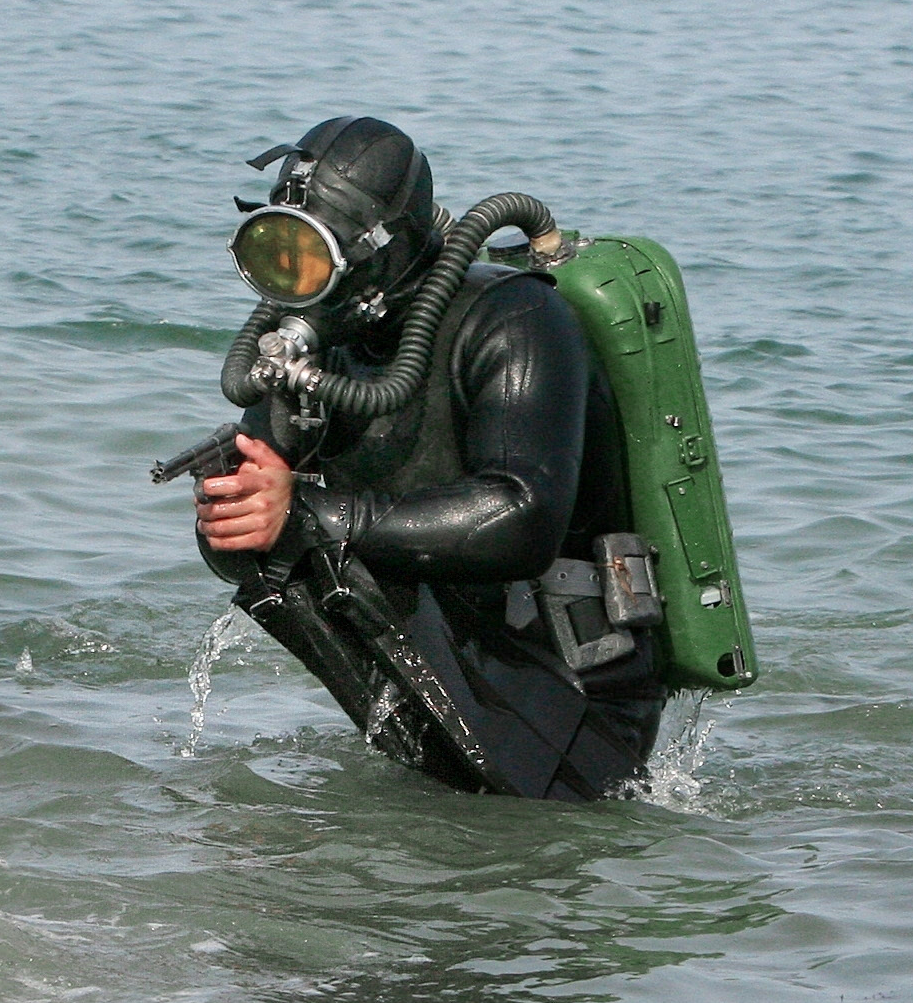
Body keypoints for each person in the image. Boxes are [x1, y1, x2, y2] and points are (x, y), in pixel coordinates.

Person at [188, 117, 666, 800]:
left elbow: (519, 517)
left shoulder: (518, 321)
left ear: (378, 250)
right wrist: (232, 515)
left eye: (311, 255)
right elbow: (267, 533)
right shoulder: (318, 342)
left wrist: (308, 511)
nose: (295, 284)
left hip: (571, 697)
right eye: (277, 255)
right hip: (448, 678)